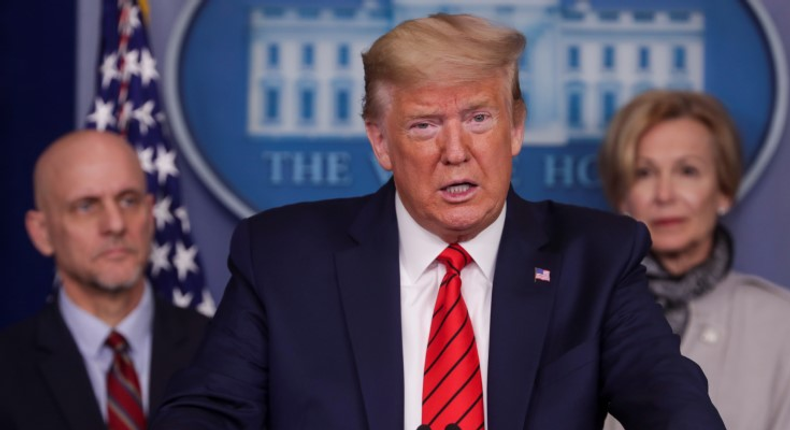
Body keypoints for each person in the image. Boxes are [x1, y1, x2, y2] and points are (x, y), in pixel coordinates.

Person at [153, 14, 725, 430]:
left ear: (516, 127)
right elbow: (206, 414)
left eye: (479, 118)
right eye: (425, 126)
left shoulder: (595, 259)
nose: (457, 151)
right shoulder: (282, 257)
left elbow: (672, 405)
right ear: (380, 141)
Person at [599, 89, 790, 430]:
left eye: (687, 171)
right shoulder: (580, 314)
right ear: (622, 195)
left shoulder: (780, 324)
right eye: (644, 173)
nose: (665, 194)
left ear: (724, 190)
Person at [0, 130, 209, 430]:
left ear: (150, 214)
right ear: (42, 232)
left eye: (128, 200)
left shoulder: (217, 350)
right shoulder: (7, 369)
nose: (115, 224)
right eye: (86, 206)